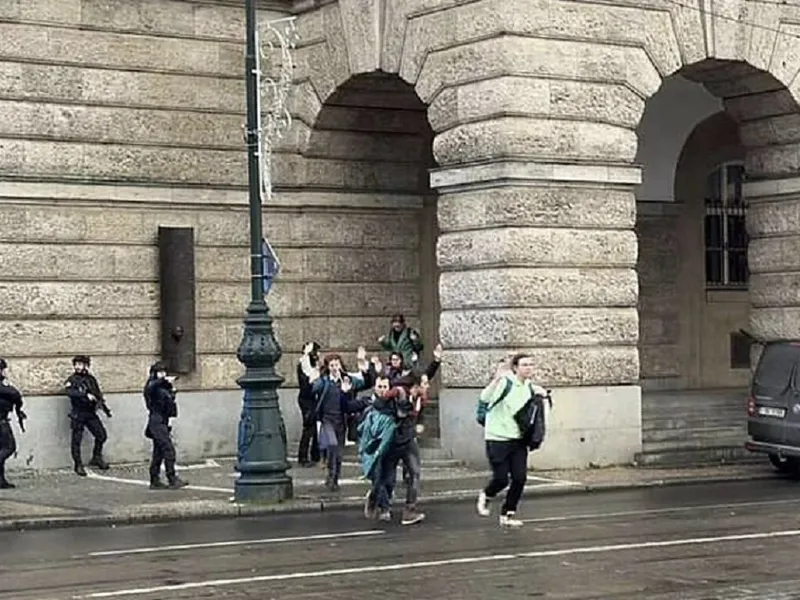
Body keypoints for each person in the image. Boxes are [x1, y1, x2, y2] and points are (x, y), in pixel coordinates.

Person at [476, 353, 544, 528]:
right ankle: (487, 494)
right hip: (497, 438)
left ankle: (507, 513)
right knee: (501, 479)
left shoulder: (529, 386)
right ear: (515, 368)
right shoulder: (505, 383)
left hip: (518, 439)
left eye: (531, 364)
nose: (528, 368)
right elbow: (484, 397)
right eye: (524, 365)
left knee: (520, 478)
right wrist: (495, 380)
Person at [304, 348, 372, 491]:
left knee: (339, 453)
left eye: (337, 364)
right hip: (327, 420)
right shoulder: (324, 382)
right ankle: (330, 476)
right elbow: (313, 389)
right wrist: (312, 380)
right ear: (328, 367)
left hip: (341, 420)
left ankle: (335, 478)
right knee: (333, 446)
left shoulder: (346, 379)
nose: (335, 368)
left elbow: (365, 383)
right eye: (332, 365)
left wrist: (364, 367)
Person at [144, 362, 188, 490]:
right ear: (154, 373)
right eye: (160, 372)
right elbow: (150, 389)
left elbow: (169, 406)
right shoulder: (152, 386)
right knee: (169, 450)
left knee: (158, 453)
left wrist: (172, 391)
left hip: (163, 421)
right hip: (156, 421)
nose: (163, 375)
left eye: (164, 372)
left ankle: (154, 480)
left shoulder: (164, 388)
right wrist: (163, 381)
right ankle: (172, 478)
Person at [65, 355, 111, 476]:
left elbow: (97, 393)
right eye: (76, 364)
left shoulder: (91, 379)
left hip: (90, 413)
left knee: (101, 435)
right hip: (78, 413)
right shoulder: (72, 379)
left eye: (80, 364)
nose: (78, 367)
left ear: (86, 366)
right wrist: (85, 395)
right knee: (76, 440)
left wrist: (102, 405)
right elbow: (70, 392)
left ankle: (96, 457)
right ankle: (78, 464)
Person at [0, 359, 25, 489]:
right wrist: (8, 386)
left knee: (2, 449)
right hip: (1, 423)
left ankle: (1, 480)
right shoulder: (3, 386)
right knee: (9, 447)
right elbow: (14, 393)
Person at [297, 341, 321, 467]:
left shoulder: (314, 367)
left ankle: (315, 455)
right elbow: (307, 377)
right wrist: (307, 353)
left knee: (316, 428)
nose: (317, 355)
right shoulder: (304, 366)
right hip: (307, 400)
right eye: (316, 352)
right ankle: (303, 457)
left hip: (314, 399)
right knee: (308, 428)